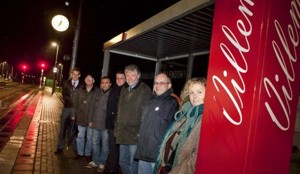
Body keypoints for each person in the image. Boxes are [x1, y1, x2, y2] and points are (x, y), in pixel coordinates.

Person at [154, 77, 206, 174]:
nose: (194, 96)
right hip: (167, 167)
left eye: (199, 92)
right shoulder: (184, 113)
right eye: (191, 92)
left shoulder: (205, 120)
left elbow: (197, 157)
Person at [135, 73, 179, 174]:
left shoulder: (172, 103)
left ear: (169, 85)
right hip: (143, 149)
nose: (157, 85)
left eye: (161, 83)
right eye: (156, 83)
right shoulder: (150, 100)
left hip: (157, 153)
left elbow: (171, 130)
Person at [114, 64, 152, 174]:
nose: (130, 78)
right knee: (122, 162)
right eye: (128, 75)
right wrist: (117, 127)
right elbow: (119, 109)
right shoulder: (124, 89)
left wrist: (141, 132)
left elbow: (146, 114)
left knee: (133, 163)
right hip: (122, 133)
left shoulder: (145, 90)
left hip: (135, 135)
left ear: (138, 76)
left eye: (133, 75)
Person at [54, 68, 84, 154]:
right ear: (71, 74)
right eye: (73, 74)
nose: (75, 76)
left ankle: (75, 149)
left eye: (77, 74)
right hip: (67, 108)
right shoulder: (66, 83)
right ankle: (60, 147)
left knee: (74, 129)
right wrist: (69, 103)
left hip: (77, 110)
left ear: (79, 75)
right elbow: (64, 95)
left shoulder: (82, 85)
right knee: (62, 128)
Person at [87, 76, 112, 173]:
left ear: (110, 84)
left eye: (106, 82)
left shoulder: (112, 94)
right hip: (95, 123)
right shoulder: (97, 93)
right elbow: (92, 107)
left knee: (105, 145)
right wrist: (90, 120)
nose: (104, 84)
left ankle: (102, 163)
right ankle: (95, 160)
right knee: (95, 143)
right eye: (103, 82)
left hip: (106, 125)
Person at [72, 74, 98, 161]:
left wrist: (94, 119)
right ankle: (80, 153)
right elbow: (75, 104)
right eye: (87, 79)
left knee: (90, 138)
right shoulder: (80, 90)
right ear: (85, 80)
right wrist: (73, 114)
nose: (88, 80)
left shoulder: (97, 91)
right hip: (81, 118)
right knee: (80, 137)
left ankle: (88, 154)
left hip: (91, 120)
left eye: (90, 79)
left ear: (93, 80)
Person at [106, 71, 126, 174]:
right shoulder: (113, 89)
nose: (119, 80)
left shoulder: (126, 91)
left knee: (121, 151)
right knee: (112, 149)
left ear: (125, 79)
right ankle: (113, 168)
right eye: (117, 78)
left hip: (121, 127)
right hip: (111, 126)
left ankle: (119, 170)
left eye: (121, 78)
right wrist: (108, 124)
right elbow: (109, 107)